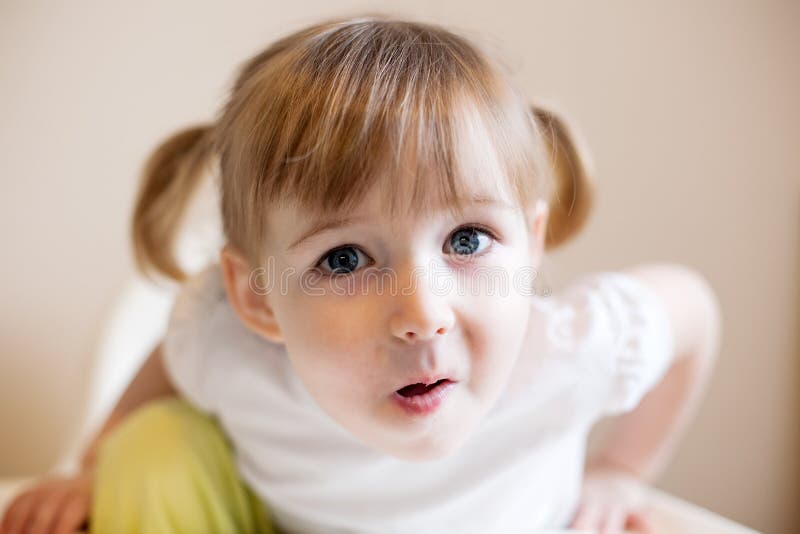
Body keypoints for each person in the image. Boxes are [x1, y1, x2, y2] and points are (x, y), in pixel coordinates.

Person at [0, 14, 721, 534]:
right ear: (259, 300)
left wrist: (623, 471)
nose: (422, 312)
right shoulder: (229, 347)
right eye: (344, 259)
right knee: (151, 449)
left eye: (468, 238)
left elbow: (692, 311)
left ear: (530, 245)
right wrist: (89, 464)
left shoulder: (570, 352)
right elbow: (175, 353)